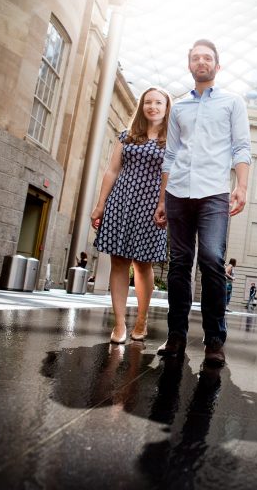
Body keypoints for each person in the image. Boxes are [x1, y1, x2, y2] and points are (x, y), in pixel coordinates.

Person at [153, 39, 251, 366]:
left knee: (211, 259)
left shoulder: (232, 102)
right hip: (178, 191)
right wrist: (163, 198)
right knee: (180, 263)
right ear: (189, 65)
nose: (201, 62)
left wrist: (242, 185)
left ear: (217, 66)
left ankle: (214, 340)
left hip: (214, 193)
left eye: (207, 58)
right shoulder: (178, 108)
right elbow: (170, 155)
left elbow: (241, 148)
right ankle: (176, 337)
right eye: (196, 57)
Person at [91, 86, 171, 344]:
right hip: (121, 202)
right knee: (118, 262)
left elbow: (172, 176)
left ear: (166, 107)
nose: (153, 106)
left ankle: (142, 318)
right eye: (148, 102)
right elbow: (112, 171)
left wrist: (164, 204)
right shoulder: (127, 136)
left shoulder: (172, 141)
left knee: (143, 264)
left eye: (158, 102)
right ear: (142, 106)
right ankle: (118, 324)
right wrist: (100, 204)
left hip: (152, 206)